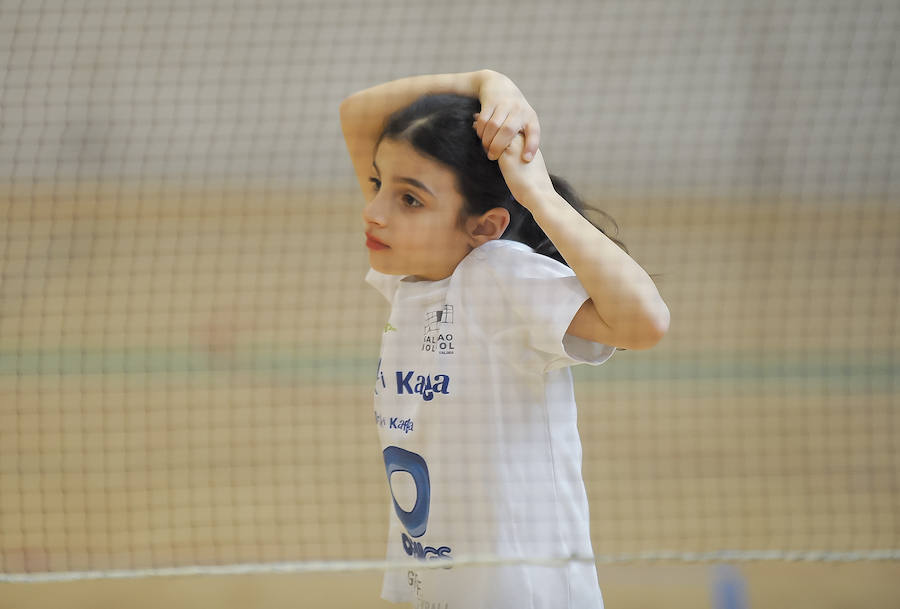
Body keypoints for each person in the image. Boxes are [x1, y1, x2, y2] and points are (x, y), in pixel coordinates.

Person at [340, 70, 669, 609]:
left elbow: (646, 323)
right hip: (438, 587)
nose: (373, 211)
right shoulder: (413, 275)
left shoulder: (496, 276)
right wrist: (486, 81)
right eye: (378, 184)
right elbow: (357, 114)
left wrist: (537, 194)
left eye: (410, 200)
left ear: (486, 227)